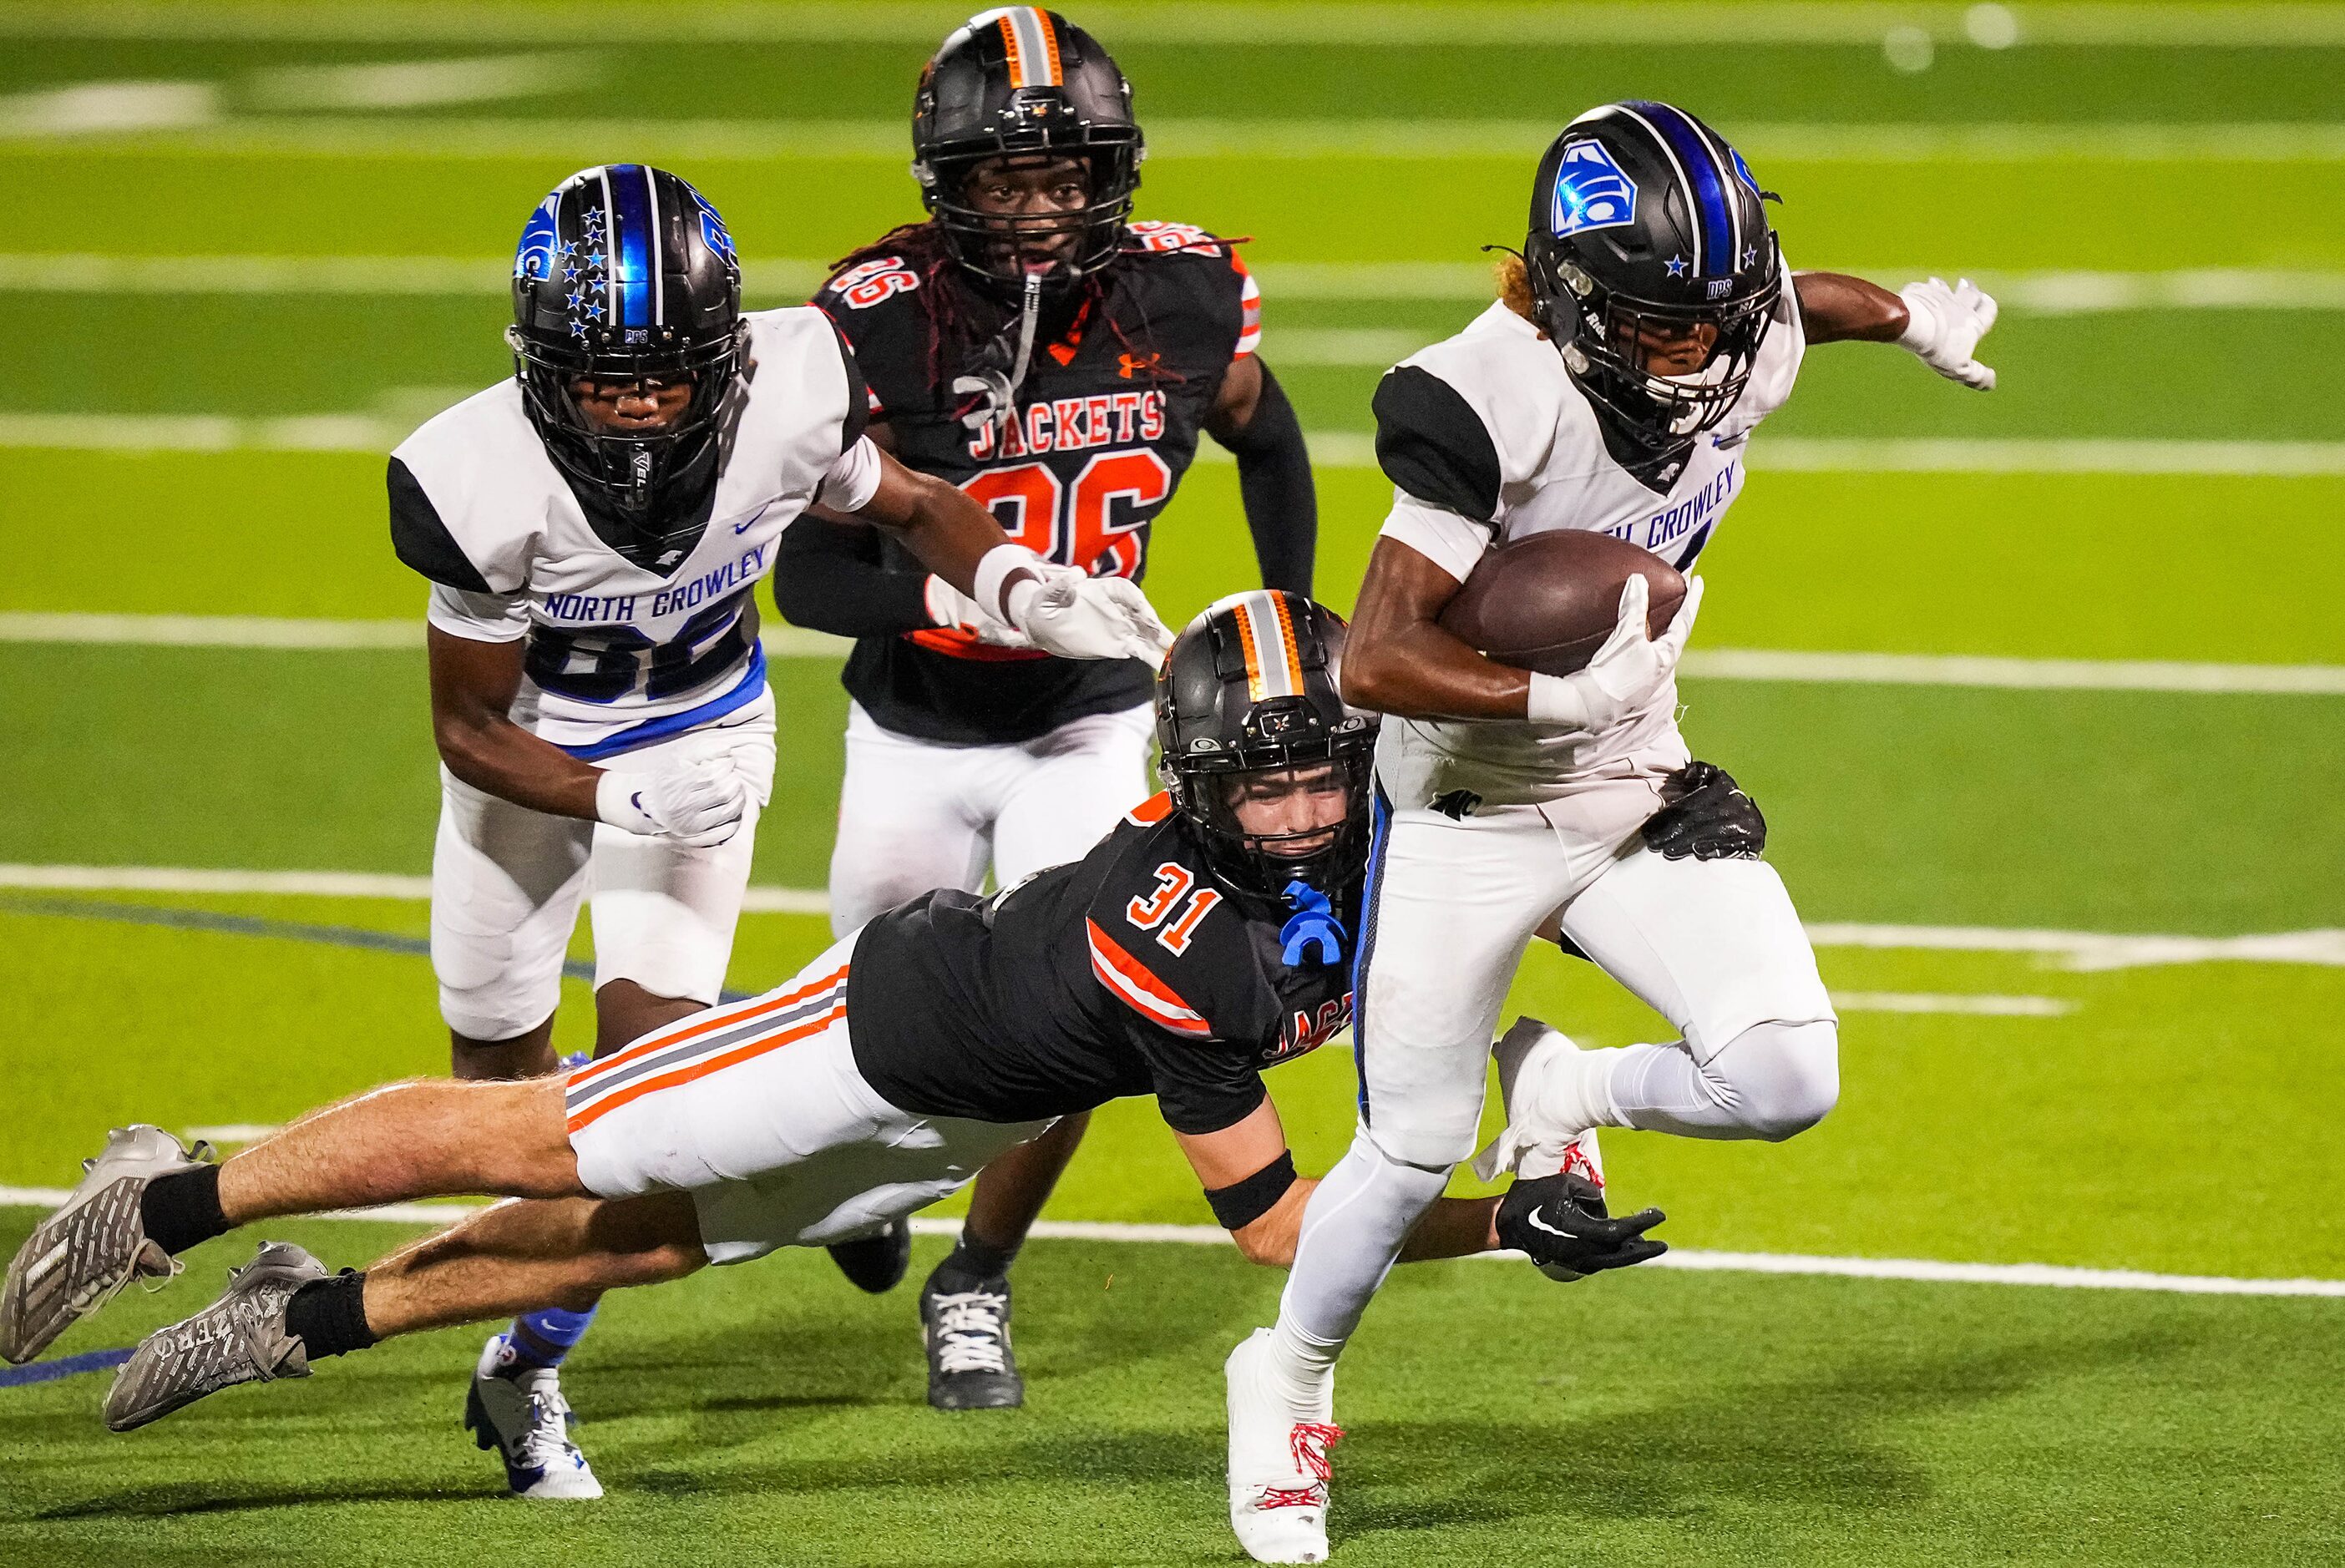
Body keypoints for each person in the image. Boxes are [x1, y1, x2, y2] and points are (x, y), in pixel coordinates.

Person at [0, 594, 1673, 1464]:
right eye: (1271, 776)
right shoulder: (1183, 937)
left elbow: (1536, 850)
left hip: (962, 1125)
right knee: (546, 1136)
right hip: (872, 1037)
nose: (1307, 809)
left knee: (635, 1253)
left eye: (1326, 770)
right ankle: (163, 1203)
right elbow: (1286, 1233)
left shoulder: (1397, 832)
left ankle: (309, 1316)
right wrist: (1502, 1226)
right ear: (1200, 783)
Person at [1221, 101, 2003, 1563]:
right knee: (1409, 1153)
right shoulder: (1476, 397)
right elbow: (1374, 658)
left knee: (1784, 1071)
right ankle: (1287, 1386)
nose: (1697, 356)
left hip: (1632, 769)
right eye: (1656, 328)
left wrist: (1908, 317)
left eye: (1716, 319)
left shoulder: (1728, 323)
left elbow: (1796, 309)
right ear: (1572, 296)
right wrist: (1550, 685)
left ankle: (1572, 1084)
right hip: (1471, 796)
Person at [382, 162, 1168, 1496]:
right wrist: (606, 794)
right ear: (538, 364)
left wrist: (1018, 582)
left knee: (632, 1100)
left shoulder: (793, 391)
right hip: (533, 768)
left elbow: (912, 503)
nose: (637, 408)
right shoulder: (470, 477)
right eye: (603, 377)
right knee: (497, 1092)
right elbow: (469, 732)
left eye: (667, 374)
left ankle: (528, 1368)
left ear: (727, 357)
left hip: (700, 741)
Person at [777, 6, 1317, 1410]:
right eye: (1006, 181)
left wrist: (1288, 612)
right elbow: (804, 571)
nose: (1036, 209)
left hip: (1088, 721)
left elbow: (1267, 427)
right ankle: (872, 1185)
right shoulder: (872, 320)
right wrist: (957, 601)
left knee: (1073, 1004)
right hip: (911, 721)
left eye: (1065, 176)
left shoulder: (1188, 294)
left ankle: (976, 1277)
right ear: (944, 180)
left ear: (1113, 173)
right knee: (869, 1017)